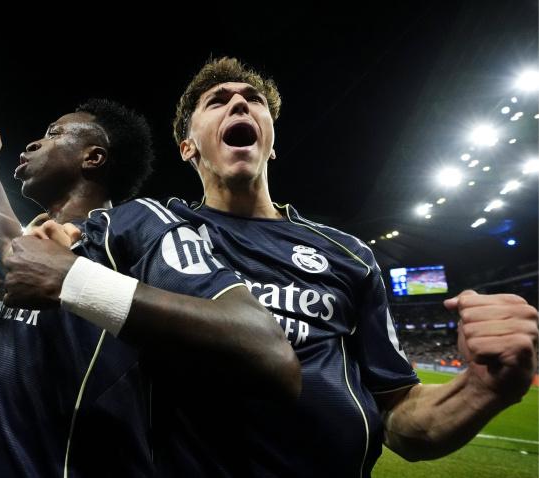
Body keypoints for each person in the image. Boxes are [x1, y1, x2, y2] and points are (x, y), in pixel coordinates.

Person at [150, 56, 537, 476]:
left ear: (271, 143)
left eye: (253, 99)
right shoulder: (153, 237)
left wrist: (482, 389)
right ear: (188, 146)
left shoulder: (348, 254)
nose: (240, 105)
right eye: (217, 101)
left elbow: (402, 416)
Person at [0, 99, 298, 477]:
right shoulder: (40, 235)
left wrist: (76, 281)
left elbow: (262, 343)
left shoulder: (136, 222)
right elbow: (11, 248)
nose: (34, 144)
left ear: (93, 158)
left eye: (54, 134)